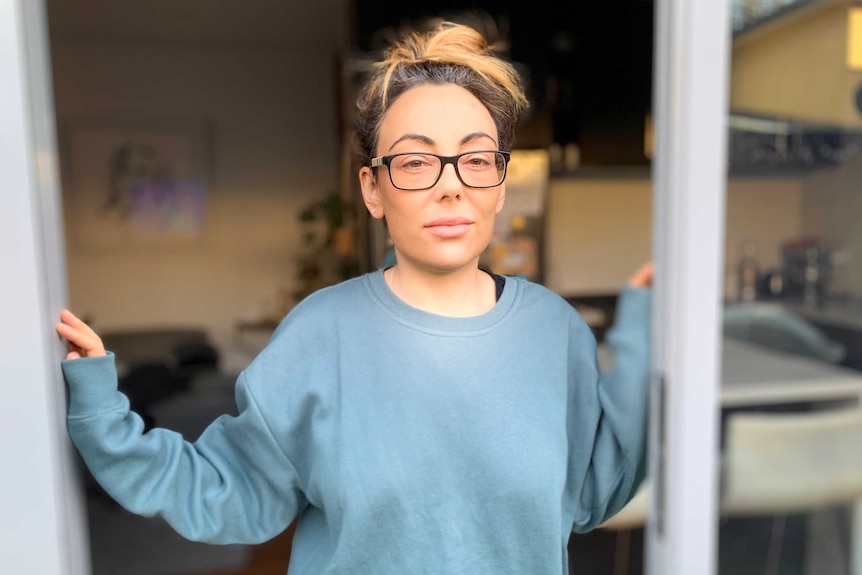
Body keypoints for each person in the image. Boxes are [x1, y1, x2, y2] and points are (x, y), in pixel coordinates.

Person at [56, 21, 653, 574]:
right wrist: (102, 413)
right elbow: (226, 490)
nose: (451, 187)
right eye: (417, 161)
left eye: (475, 159)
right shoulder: (320, 333)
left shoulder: (554, 330)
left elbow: (596, 490)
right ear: (373, 189)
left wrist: (650, 346)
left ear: (500, 185)